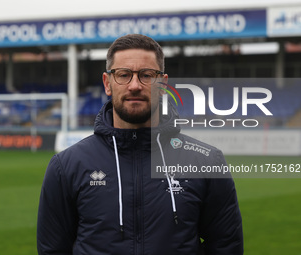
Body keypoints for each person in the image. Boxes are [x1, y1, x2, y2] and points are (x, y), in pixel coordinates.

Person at [37, 34, 243, 255]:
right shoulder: (66, 166)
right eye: (123, 75)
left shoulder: (206, 161)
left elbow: (226, 247)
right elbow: (53, 250)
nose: (135, 86)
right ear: (108, 83)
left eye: (146, 75)